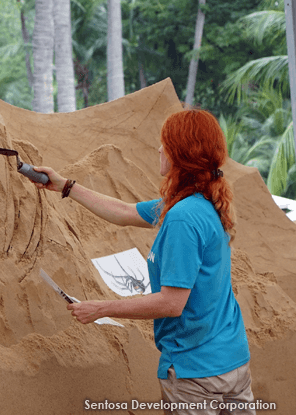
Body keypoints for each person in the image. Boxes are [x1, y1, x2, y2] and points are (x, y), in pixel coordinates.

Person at [32, 109, 254, 415]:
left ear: (180, 154)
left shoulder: (182, 218)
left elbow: (171, 303)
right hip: (231, 361)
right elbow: (125, 212)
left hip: (197, 373)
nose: (159, 149)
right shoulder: (198, 202)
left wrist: (100, 308)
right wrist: (66, 186)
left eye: (165, 143)